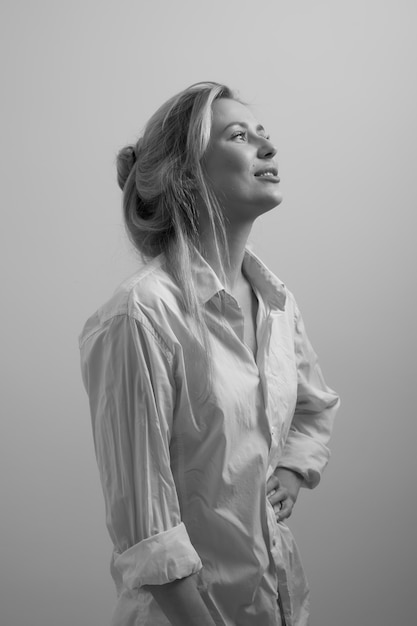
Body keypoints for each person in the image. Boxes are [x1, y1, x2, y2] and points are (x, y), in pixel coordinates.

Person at [79, 81, 340, 626]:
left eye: (263, 134)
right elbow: (148, 532)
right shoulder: (140, 315)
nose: (268, 148)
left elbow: (315, 406)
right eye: (240, 136)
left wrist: (291, 470)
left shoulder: (277, 302)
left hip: (279, 607)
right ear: (187, 175)